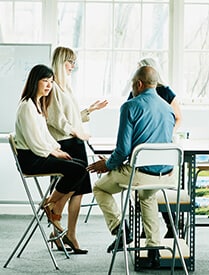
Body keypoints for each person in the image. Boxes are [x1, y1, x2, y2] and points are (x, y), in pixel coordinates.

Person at [87, 65, 175, 268]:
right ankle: (154, 251)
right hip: (165, 174)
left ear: (138, 84)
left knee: (100, 187)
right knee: (147, 196)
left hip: (140, 174)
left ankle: (120, 229)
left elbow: (123, 150)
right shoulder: (168, 108)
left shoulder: (130, 106)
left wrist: (107, 165)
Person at [14, 64, 89, 254]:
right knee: (78, 169)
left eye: (51, 82)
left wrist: (56, 148)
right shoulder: (26, 107)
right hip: (32, 159)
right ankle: (50, 205)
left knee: (81, 167)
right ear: (35, 82)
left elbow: (45, 135)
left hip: (41, 153)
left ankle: (50, 203)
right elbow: (35, 142)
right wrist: (54, 152)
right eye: (45, 81)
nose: (48, 86)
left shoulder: (38, 105)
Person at [46, 46, 108, 249]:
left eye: (74, 62)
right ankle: (57, 230)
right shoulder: (52, 85)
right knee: (67, 188)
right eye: (70, 61)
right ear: (61, 61)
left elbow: (70, 118)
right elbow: (56, 120)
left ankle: (70, 234)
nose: (73, 66)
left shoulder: (67, 86)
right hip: (64, 143)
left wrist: (90, 109)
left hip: (75, 142)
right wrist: (76, 132)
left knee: (79, 191)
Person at [128, 57, 182, 238]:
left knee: (151, 188)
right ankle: (150, 229)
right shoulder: (135, 93)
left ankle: (169, 225)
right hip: (144, 149)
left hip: (160, 148)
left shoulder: (166, 92)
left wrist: (164, 133)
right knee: (149, 189)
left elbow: (178, 117)